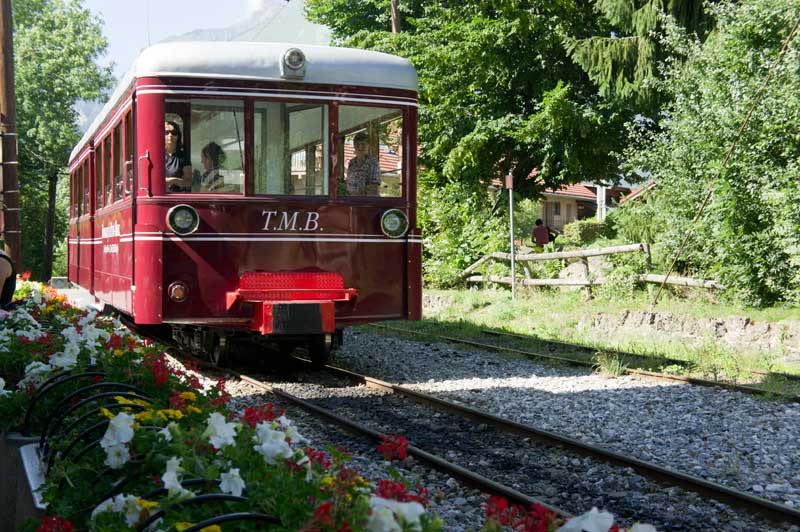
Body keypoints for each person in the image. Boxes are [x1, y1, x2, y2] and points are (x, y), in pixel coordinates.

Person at [346, 131, 380, 196]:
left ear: (368, 145)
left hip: (369, 202)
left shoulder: (373, 162)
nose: (360, 147)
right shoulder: (352, 163)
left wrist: (360, 193)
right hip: (353, 201)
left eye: (363, 144)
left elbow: (375, 184)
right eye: (357, 145)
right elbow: (349, 184)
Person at [164, 121, 192, 192]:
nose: (170, 135)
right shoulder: (156, 155)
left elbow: (188, 182)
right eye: (166, 132)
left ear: (178, 136)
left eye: (174, 133)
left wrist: (173, 181)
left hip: (176, 197)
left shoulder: (182, 156)